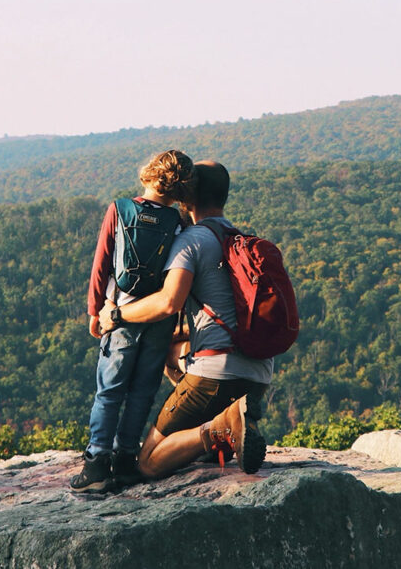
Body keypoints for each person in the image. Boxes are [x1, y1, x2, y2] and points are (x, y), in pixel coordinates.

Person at [99, 161, 270, 479]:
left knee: (147, 461)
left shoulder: (192, 240)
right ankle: (221, 428)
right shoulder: (239, 239)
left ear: (186, 195)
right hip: (259, 374)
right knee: (174, 350)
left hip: (217, 374)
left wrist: (116, 314)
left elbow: (167, 303)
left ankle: (220, 426)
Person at [69, 150, 196, 493]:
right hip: (158, 320)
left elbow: (101, 264)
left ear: (149, 175)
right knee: (142, 391)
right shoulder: (179, 222)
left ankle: (96, 464)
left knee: (109, 392)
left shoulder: (120, 209)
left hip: (121, 317)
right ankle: (127, 460)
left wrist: (95, 310)